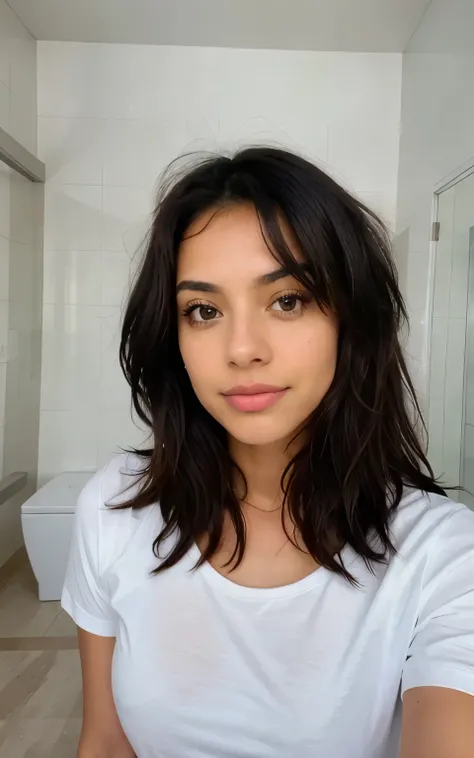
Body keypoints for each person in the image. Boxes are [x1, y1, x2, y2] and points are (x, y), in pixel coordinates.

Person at [62, 147, 474, 758]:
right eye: (203, 311)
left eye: (288, 300)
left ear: (351, 321)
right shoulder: (115, 507)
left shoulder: (442, 556)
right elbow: (102, 740)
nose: (243, 349)